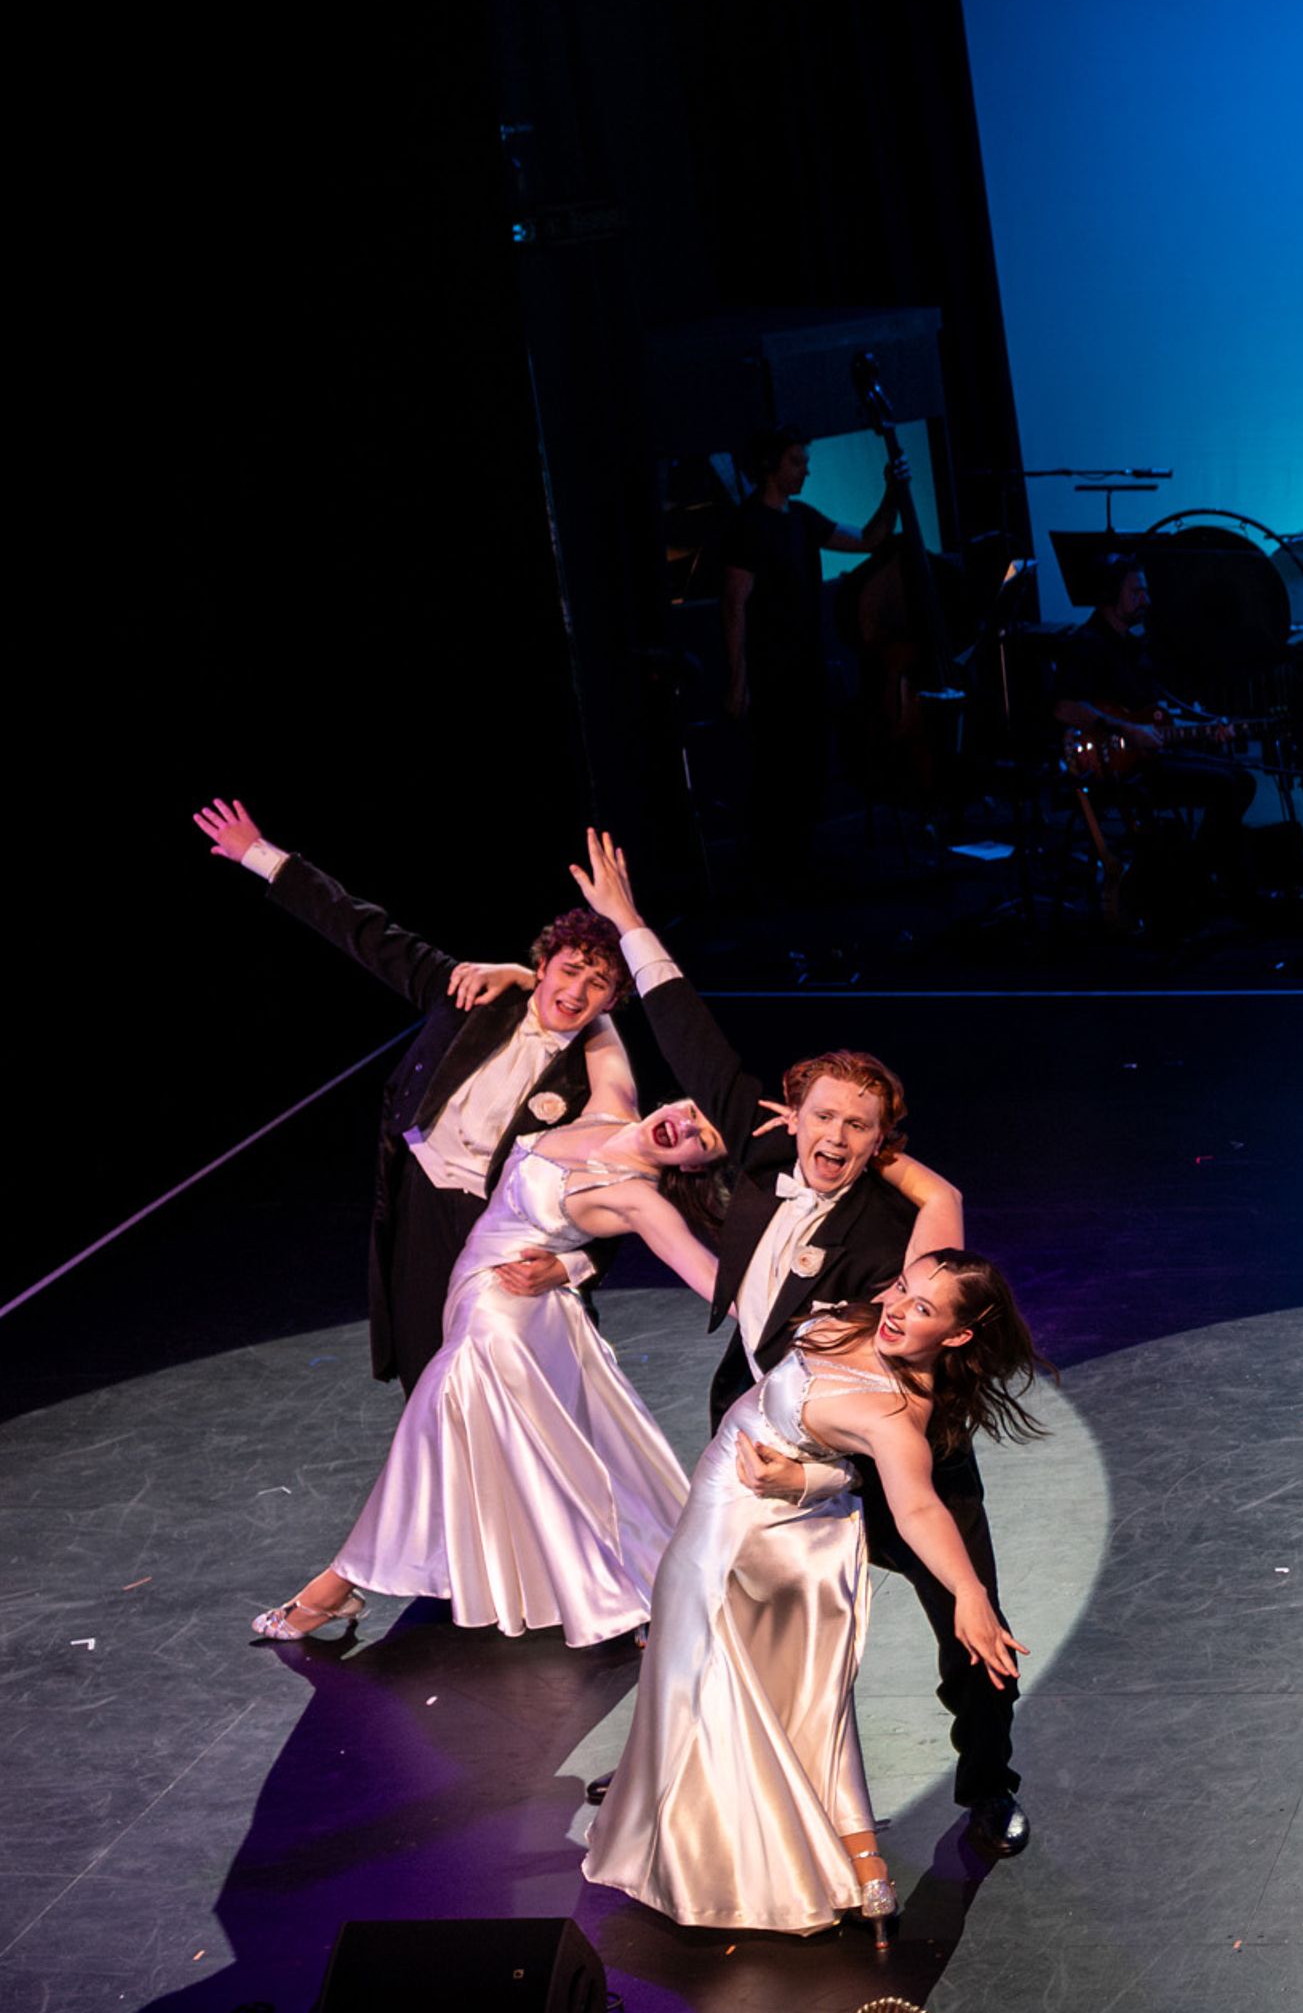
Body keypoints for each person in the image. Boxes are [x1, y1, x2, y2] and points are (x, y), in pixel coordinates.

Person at [557, 832, 1032, 1858]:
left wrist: (909, 1176)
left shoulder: (891, 1238)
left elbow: (924, 1273)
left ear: (881, 1144)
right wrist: (633, 926)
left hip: (890, 1442)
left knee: (969, 1615)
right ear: (794, 1111)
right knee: (711, 1600)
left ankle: (989, 1783)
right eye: (823, 1115)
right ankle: (664, 1764)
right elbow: (685, 1034)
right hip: (764, 1412)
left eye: (860, 1128)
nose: (834, 1137)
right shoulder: (765, 1142)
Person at [587, 1253, 1044, 1946]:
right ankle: (859, 1867)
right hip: (737, 1501)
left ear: (956, 1336)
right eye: (901, 1287)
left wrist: (970, 1593)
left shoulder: (896, 1414)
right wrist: (819, 1475)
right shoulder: (861, 1318)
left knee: (744, 1685)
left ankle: (728, 1856)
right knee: (768, 1688)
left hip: (771, 1532)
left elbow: (917, 1507)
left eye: (923, 1309)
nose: (896, 1307)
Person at [247, 1098, 733, 1647]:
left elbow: (706, 1273)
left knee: (443, 1424)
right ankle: (648, 1575)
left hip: (508, 1317)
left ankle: (336, 1586)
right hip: (477, 1294)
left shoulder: (635, 1197)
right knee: (544, 1451)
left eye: (703, 1139)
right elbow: (604, 1017)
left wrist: (784, 1313)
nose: (687, 1124)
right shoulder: (610, 1105)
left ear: (691, 1166)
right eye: (693, 1110)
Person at [196, 799, 640, 1390]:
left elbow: (620, 1191)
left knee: (514, 1382)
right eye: (570, 969)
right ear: (543, 964)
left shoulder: (595, 1076)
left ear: (611, 1002)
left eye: (598, 983)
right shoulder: (469, 994)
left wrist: (571, 1266)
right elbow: (365, 932)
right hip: (424, 1202)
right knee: (426, 1368)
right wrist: (260, 855)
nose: (576, 990)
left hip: (504, 1226)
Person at [715, 424, 904, 886]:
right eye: (797, 462)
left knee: (808, 773)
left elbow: (868, 537)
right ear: (771, 466)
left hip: (807, 669)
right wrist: (738, 682)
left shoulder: (801, 518)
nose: (806, 470)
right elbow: (734, 604)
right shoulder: (749, 525)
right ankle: (775, 874)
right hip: (771, 673)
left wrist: (894, 492)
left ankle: (798, 870)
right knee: (777, 776)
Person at [1051, 553, 1258, 898]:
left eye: (1145, 592)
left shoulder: (1134, 646)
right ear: (1109, 596)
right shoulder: (1086, 645)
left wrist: (1207, 728)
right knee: (1227, 785)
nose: (1146, 600)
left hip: (1147, 759)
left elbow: (1156, 714)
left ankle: (1200, 872)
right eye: (1136, 593)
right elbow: (1063, 707)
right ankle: (1199, 878)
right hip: (1119, 773)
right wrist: (1125, 729)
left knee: (1241, 778)